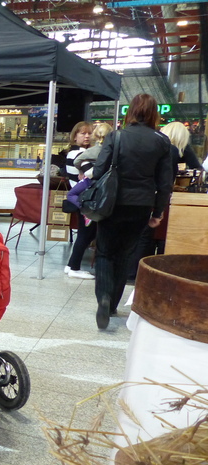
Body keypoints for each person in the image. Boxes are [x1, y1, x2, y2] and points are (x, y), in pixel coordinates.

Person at [91, 93, 172, 330]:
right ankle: (113, 304)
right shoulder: (162, 141)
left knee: (105, 252)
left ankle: (103, 298)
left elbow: (98, 172)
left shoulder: (116, 137)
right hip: (142, 205)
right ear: (154, 113)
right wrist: (157, 212)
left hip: (112, 204)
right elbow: (165, 182)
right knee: (125, 255)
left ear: (131, 111)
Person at [127, 121, 200, 279]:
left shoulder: (150, 146)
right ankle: (138, 271)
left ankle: (132, 271)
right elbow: (191, 169)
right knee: (150, 235)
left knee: (140, 235)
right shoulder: (173, 150)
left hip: (139, 194)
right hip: (158, 197)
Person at [63, 121, 95, 280]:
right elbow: (94, 173)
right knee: (85, 234)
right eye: (83, 133)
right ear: (75, 136)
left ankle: (70, 264)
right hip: (86, 200)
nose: (87, 136)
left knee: (85, 233)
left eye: (89, 133)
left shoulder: (72, 153)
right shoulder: (81, 154)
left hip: (79, 199)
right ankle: (74, 267)